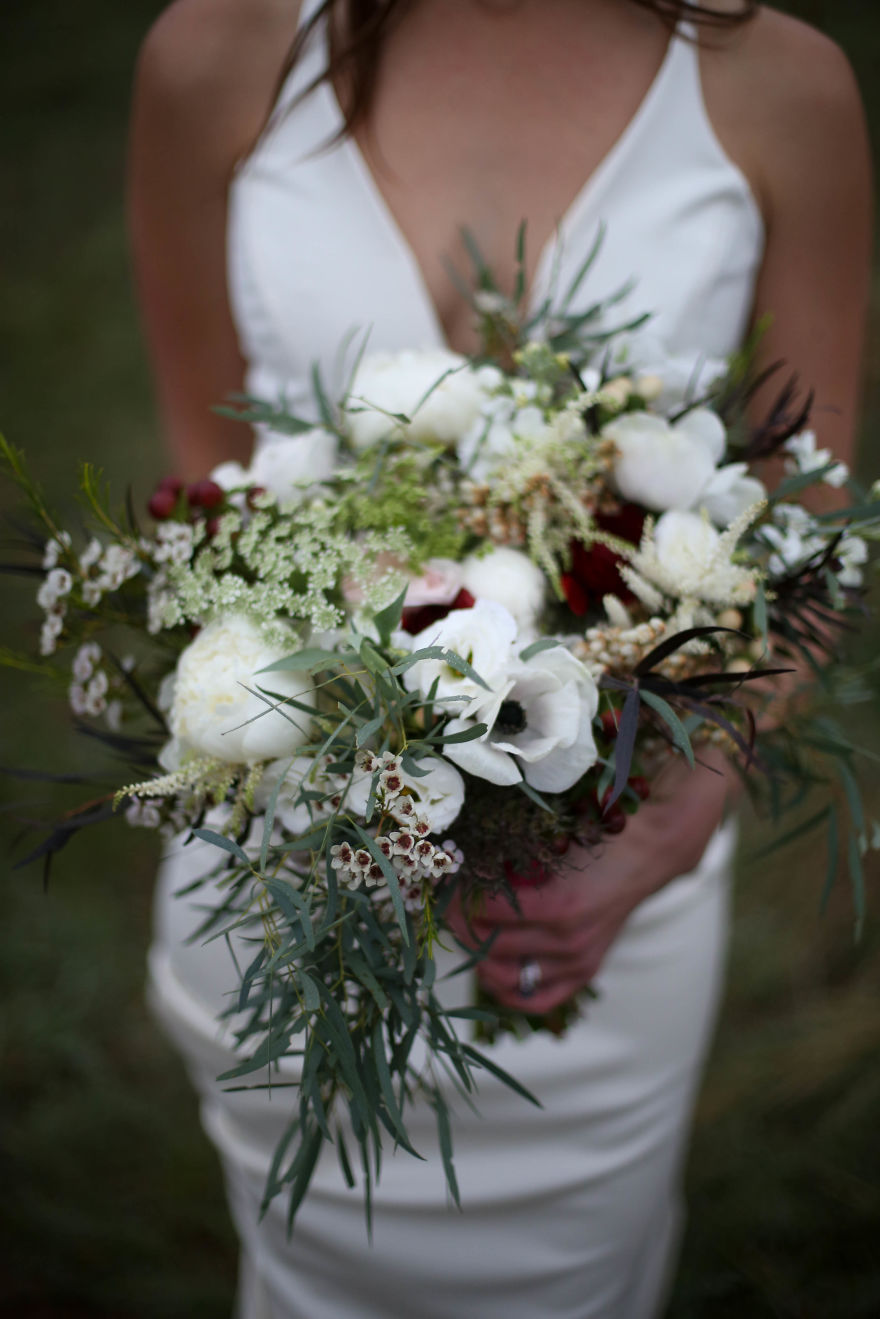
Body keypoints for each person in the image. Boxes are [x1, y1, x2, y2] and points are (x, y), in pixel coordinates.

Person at [128, 1, 871, 1315]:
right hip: (289, 886)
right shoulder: (216, 50)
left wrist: (663, 834)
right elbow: (208, 479)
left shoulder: (778, 83)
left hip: (597, 905)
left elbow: (816, 541)